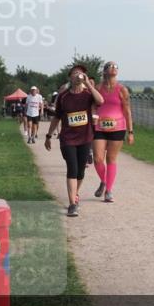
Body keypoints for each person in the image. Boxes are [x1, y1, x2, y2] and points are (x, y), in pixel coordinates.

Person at [44, 65, 104, 217]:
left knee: (81, 171)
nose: (78, 75)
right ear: (70, 77)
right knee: (72, 168)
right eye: (75, 73)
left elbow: (101, 101)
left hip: (85, 137)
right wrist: (48, 136)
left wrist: (89, 84)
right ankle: (72, 204)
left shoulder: (88, 94)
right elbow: (56, 117)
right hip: (68, 139)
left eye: (81, 73)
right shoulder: (64, 97)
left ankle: (75, 194)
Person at [92, 62, 134, 204]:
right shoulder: (97, 88)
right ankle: (103, 181)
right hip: (99, 127)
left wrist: (131, 131)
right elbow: (92, 107)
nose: (114, 68)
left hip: (118, 127)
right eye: (111, 66)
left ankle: (108, 191)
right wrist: (93, 118)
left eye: (116, 67)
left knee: (111, 158)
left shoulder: (122, 89)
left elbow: (127, 111)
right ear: (104, 71)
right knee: (98, 158)